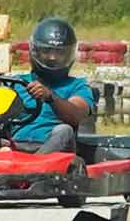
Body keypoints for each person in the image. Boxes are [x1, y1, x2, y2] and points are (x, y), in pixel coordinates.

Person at [6, 15, 94, 155]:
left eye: (59, 52)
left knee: (64, 130)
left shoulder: (78, 86)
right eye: (47, 51)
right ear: (35, 50)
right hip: (13, 147)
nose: (52, 58)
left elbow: (76, 115)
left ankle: (35, 164)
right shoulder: (15, 84)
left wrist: (50, 97)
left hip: (52, 150)